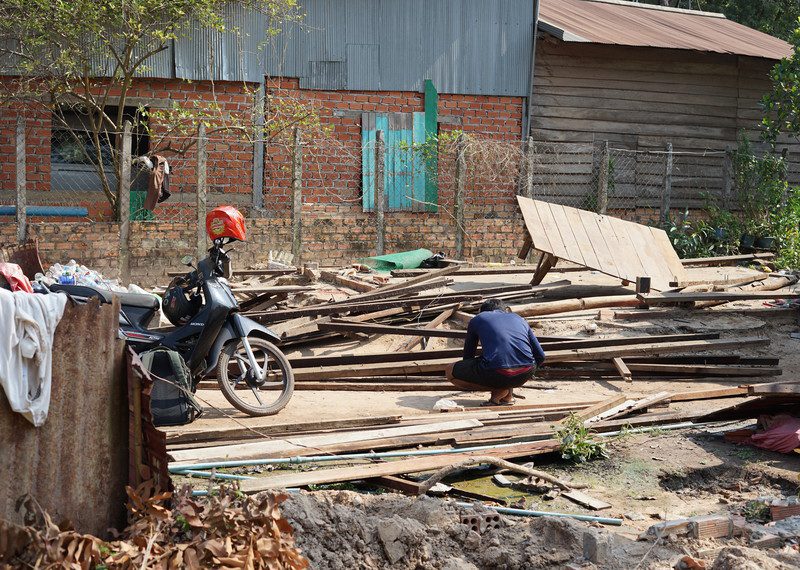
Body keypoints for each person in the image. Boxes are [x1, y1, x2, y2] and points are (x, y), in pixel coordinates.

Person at [446, 299, 545, 406]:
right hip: (525, 372)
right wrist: (527, 374)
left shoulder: (478, 319)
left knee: (450, 371)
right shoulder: (519, 319)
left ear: (481, 311)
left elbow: (468, 357)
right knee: (504, 365)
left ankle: (500, 390)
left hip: (497, 372)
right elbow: (541, 356)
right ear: (506, 310)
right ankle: (507, 394)